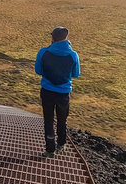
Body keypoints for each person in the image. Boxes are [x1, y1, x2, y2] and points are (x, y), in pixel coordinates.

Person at [35, 26, 80, 158]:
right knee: (62, 119)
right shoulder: (73, 55)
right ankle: (61, 144)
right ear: (66, 39)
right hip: (64, 93)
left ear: (53, 38)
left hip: (47, 91)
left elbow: (38, 71)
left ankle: (50, 150)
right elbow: (76, 74)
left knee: (48, 120)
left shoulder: (43, 52)